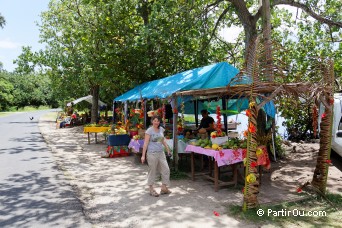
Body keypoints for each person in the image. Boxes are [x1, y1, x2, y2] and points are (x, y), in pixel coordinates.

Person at [141, 115, 172, 197]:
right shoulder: (149, 131)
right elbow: (145, 144)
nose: (156, 122)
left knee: (166, 169)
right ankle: (151, 189)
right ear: (152, 121)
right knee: (152, 171)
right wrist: (143, 155)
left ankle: (164, 188)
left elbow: (163, 140)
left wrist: (168, 149)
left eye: (158, 121)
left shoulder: (161, 129)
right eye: (155, 121)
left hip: (161, 153)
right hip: (152, 154)